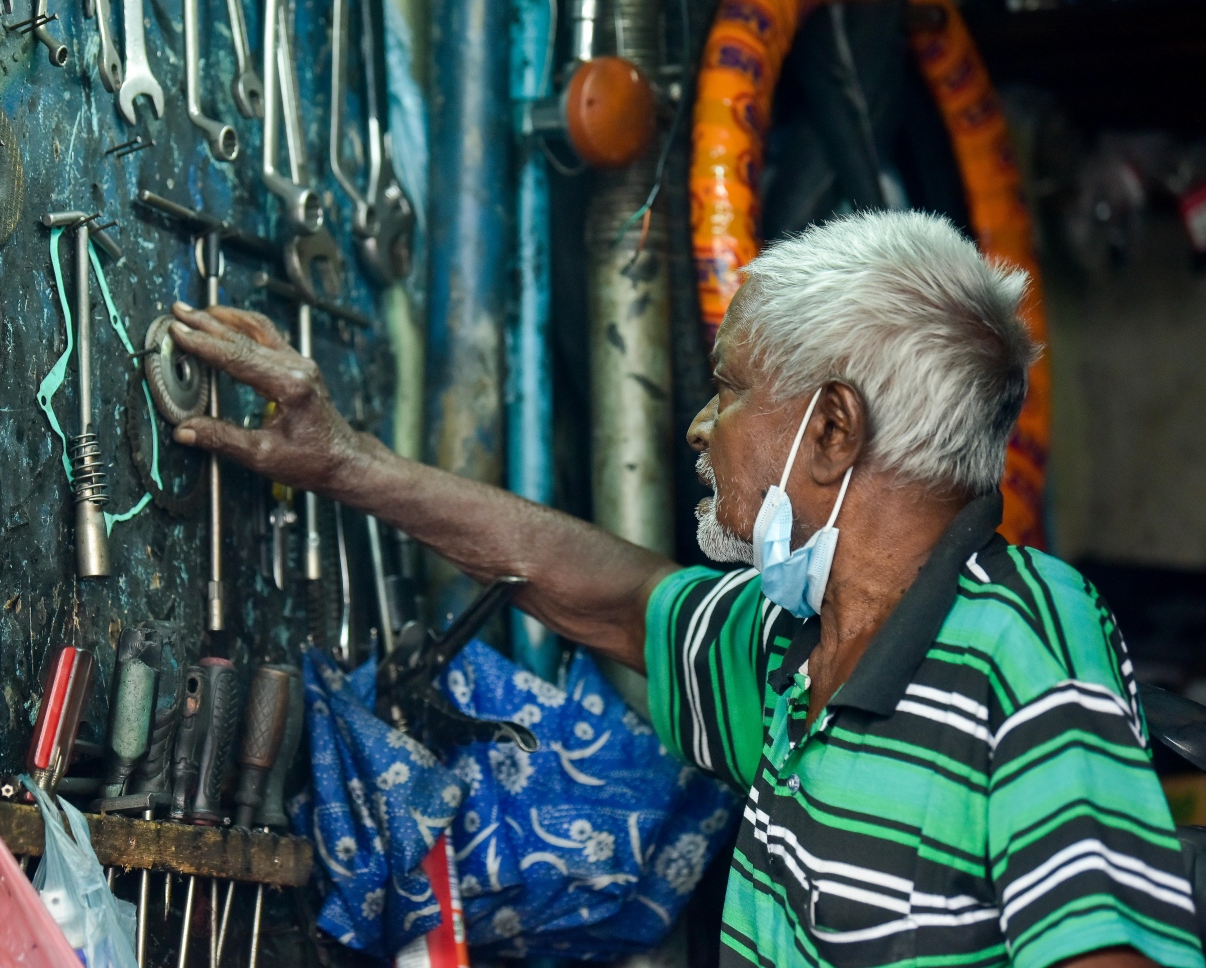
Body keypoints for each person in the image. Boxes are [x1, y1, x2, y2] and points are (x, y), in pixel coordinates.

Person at [165, 210, 1203, 968]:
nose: (702, 427)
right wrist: (347, 463)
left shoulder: (1026, 641)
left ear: (833, 430)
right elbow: (615, 596)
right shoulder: (797, 636)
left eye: (732, 387)